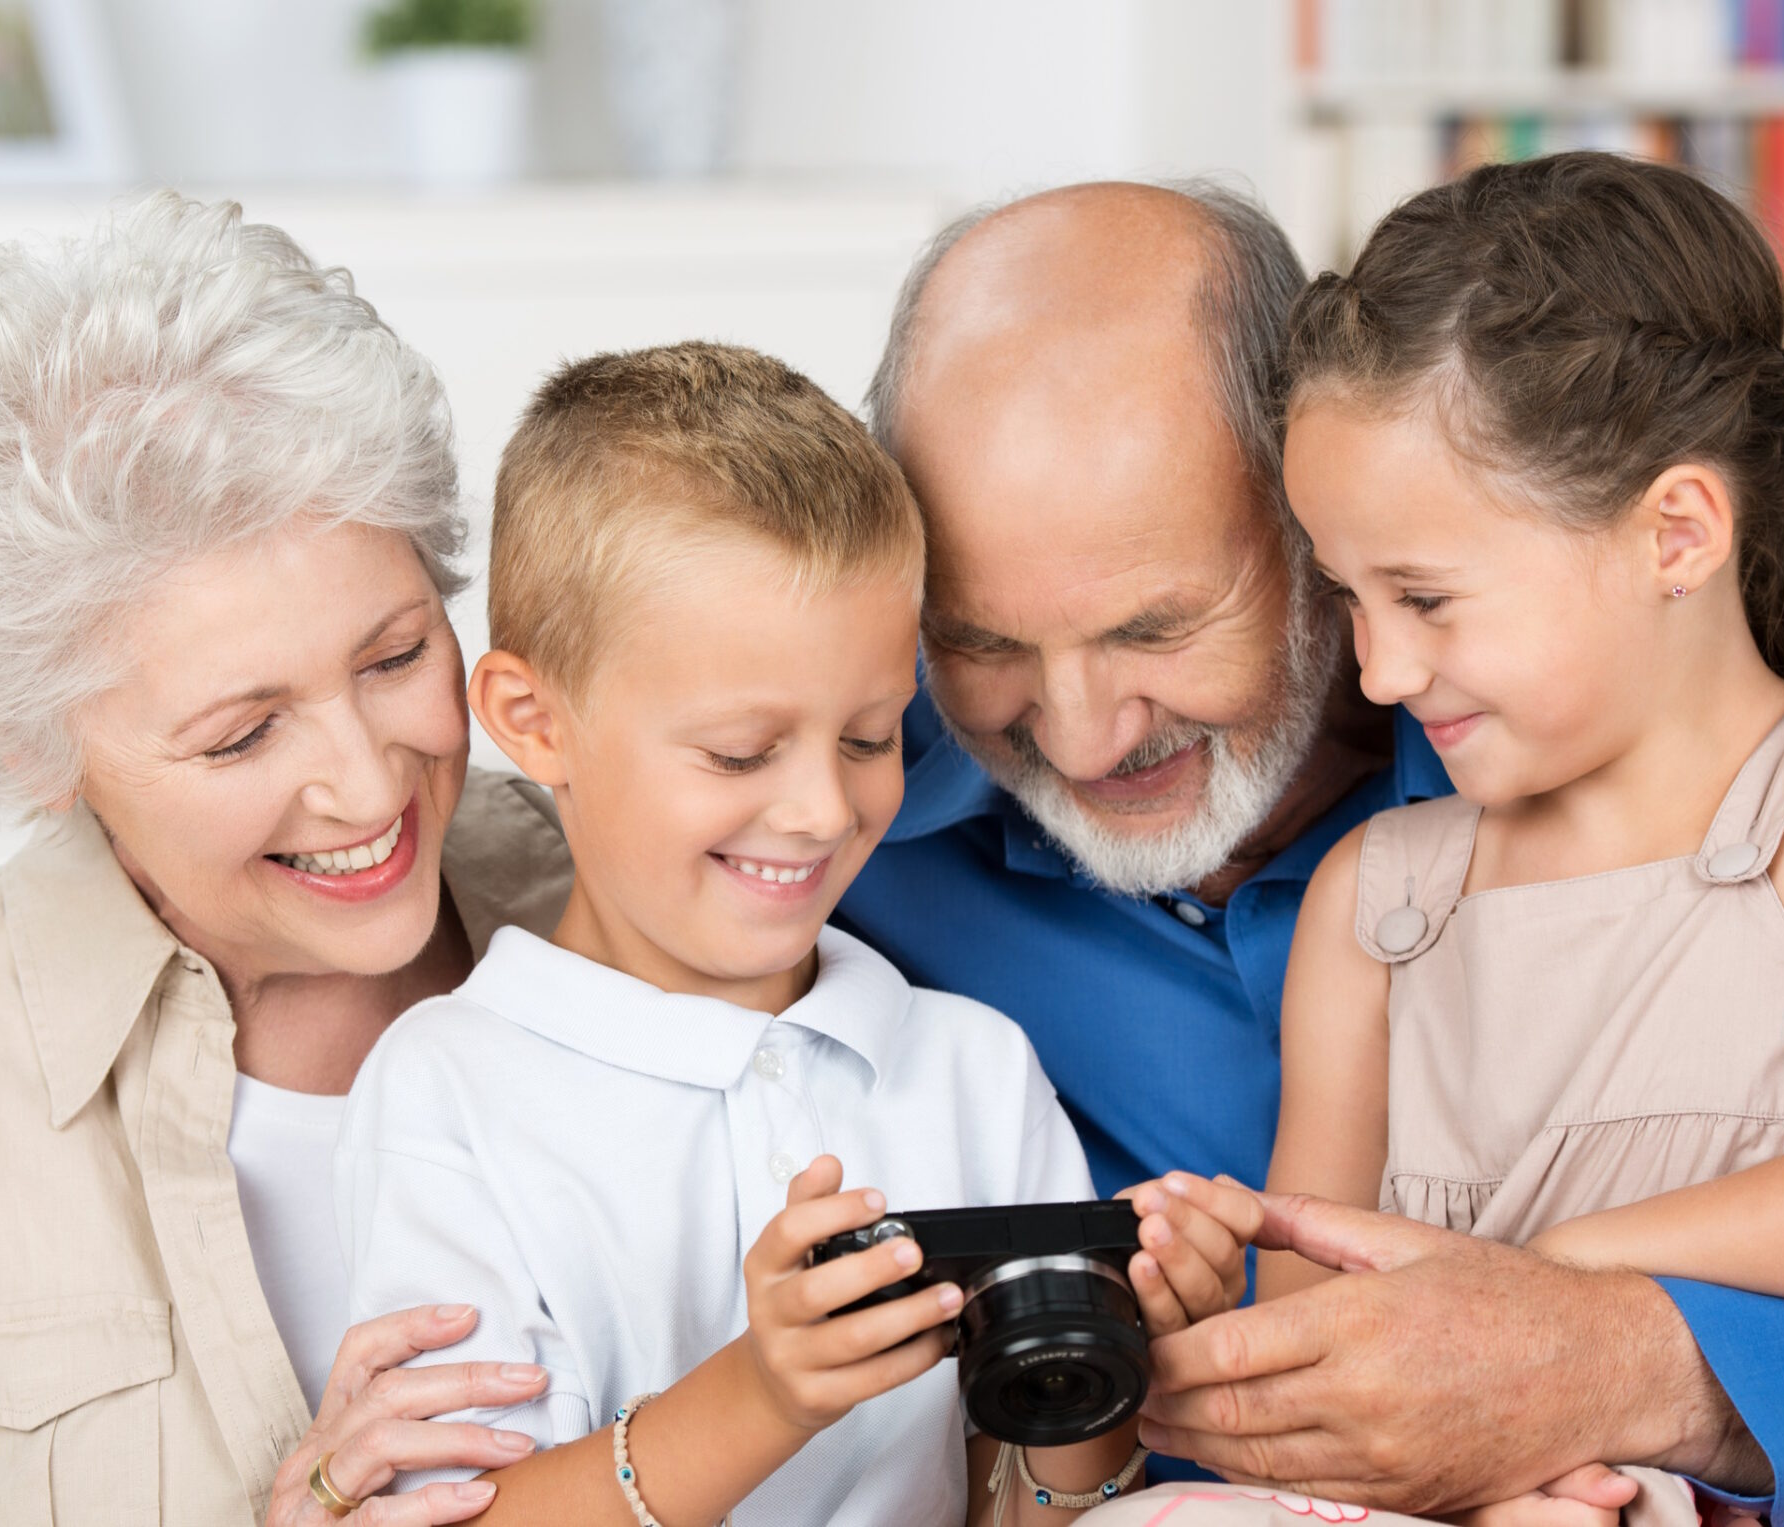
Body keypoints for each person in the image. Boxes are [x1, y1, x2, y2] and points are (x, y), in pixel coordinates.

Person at [0, 181, 1784, 1524]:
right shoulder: (844, 855)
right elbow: (429, 813)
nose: (1071, 729)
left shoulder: (1639, 802)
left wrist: (1631, 1355)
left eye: (1158, 624)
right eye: (979, 654)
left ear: (1330, 526)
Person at [1099, 153, 1784, 1527]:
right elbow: (1317, 1359)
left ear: (1676, 531)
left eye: (1428, 596)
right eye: (1349, 596)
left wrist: (1561, 1278)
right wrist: (1214, 1334)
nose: (1379, 670)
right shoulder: (1377, 897)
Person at [0, 193, 565, 1526]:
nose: (369, 780)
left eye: (399, 654)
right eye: (241, 733)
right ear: (42, 752)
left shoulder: (635, 909)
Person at [330, 341, 1248, 1527]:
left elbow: (1035, 1512)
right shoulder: (448, 1092)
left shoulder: (969, 1066)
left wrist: (1105, 1362)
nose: (824, 810)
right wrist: (763, 1395)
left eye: (869, 738)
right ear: (531, 721)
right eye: (740, 752)